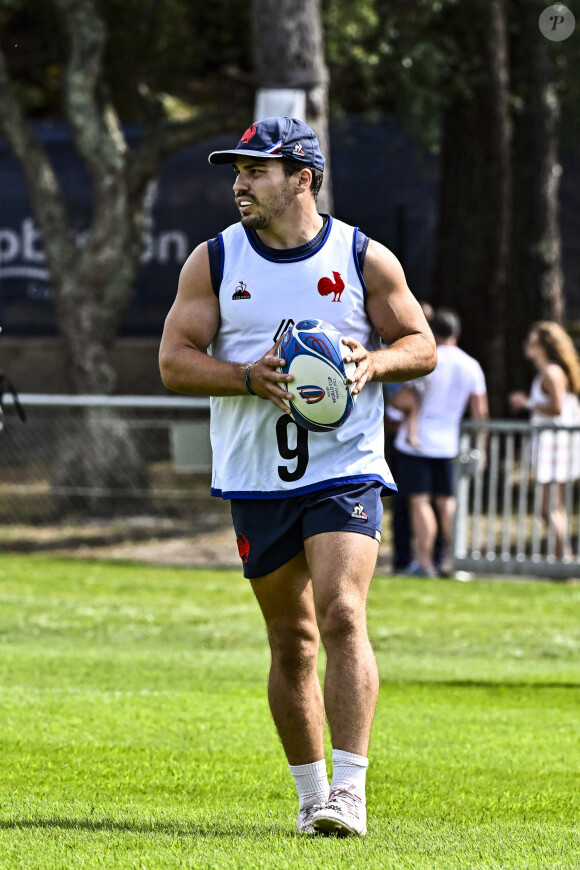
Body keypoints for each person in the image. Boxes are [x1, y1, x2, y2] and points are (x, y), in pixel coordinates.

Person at [159, 116, 436, 837]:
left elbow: (422, 344)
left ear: (303, 178)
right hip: (257, 474)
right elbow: (173, 361)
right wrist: (247, 378)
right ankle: (312, 797)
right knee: (292, 638)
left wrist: (373, 363)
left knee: (343, 612)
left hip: (344, 466)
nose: (239, 184)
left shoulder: (363, 256)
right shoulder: (214, 262)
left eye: (256, 171)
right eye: (236, 172)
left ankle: (350, 792)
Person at [389, 308, 488, 577]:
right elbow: (480, 412)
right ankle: (451, 561)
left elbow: (401, 401)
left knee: (420, 502)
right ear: (457, 333)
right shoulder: (471, 365)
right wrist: (483, 448)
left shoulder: (426, 361)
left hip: (416, 442)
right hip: (449, 443)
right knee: (447, 503)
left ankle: (424, 562)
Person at [508, 321, 580, 559]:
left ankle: (563, 559)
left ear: (544, 345)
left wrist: (527, 403)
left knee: (550, 508)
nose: (526, 344)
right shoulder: (547, 371)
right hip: (551, 444)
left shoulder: (551, 372)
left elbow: (557, 408)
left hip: (556, 445)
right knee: (547, 508)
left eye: (532, 340)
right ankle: (563, 558)